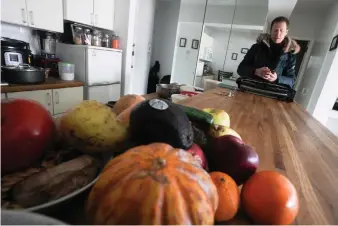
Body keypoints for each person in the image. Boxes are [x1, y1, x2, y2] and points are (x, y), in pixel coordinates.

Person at [237, 16, 300, 88]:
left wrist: (277, 78)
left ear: (286, 32)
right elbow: (240, 69)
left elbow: (291, 81)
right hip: (251, 89)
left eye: (281, 30)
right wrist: (256, 71)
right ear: (271, 31)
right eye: (275, 30)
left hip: (273, 94)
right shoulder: (256, 47)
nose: (278, 34)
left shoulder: (290, 55)